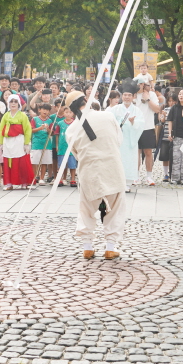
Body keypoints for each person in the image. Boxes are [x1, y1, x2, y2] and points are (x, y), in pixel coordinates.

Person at [64, 90, 127, 260]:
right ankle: (110, 247)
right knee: (115, 208)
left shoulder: (71, 129)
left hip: (89, 170)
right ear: (86, 100)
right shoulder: (107, 116)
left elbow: (76, 153)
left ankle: (87, 246)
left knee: (86, 209)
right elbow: (118, 140)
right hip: (111, 166)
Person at [107, 80, 144, 192]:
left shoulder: (137, 110)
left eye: (129, 95)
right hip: (118, 139)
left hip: (130, 140)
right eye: (125, 95)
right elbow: (109, 122)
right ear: (122, 96)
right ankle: (116, 182)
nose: (127, 97)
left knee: (129, 160)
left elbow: (141, 124)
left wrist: (133, 122)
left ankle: (127, 183)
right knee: (117, 160)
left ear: (133, 96)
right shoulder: (115, 109)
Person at [0, 94, 34, 190]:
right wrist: (1, 143)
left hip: (19, 141)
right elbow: (1, 129)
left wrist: (26, 143)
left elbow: (27, 129)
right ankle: (9, 183)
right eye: (11, 101)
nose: (13, 104)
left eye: (15, 101)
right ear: (8, 103)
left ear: (18, 103)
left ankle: (24, 182)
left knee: (21, 163)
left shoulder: (22, 115)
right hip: (8, 142)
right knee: (8, 163)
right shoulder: (6, 115)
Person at [134, 79, 160, 186]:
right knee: (136, 152)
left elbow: (157, 109)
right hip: (134, 127)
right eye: (137, 83)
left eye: (141, 83)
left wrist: (148, 99)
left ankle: (149, 176)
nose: (139, 85)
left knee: (148, 152)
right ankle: (135, 176)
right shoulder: (132, 95)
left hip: (148, 126)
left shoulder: (151, 94)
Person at [30, 103, 56, 185]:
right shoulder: (34, 119)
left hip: (46, 144)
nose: (45, 111)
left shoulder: (50, 121)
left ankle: (42, 178)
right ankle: (35, 177)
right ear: (39, 110)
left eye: (47, 110)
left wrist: (47, 129)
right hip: (36, 143)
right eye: (44, 109)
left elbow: (52, 133)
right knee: (34, 161)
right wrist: (40, 128)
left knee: (44, 161)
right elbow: (31, 130)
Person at [55, 106, 77, 186]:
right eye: (66, 112)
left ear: (73, 113)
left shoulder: (75, 123)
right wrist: (57, 145)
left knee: (72, 165)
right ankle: (60, 179)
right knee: (61, 164)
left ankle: (73, 179)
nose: (68, 114)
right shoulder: (60, 123)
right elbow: (57, 135)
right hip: (62, 147)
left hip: (72, 147)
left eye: (70, 112)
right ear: (63, 113)